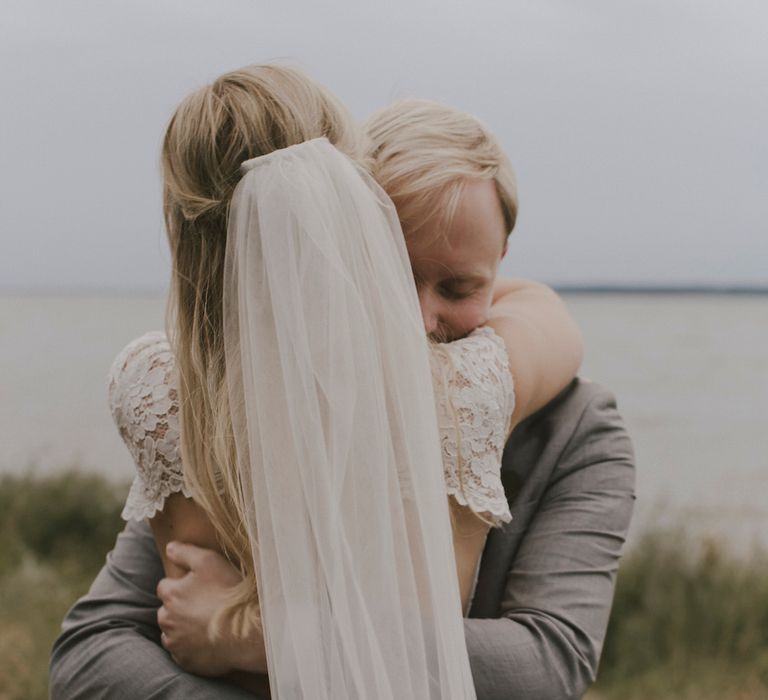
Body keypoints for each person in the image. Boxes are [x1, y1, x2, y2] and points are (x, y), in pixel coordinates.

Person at [50, 71, 634, 700]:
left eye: (459, 287)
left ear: (502, 262)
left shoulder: (578, 427)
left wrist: (263, 636)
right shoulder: (218, 418)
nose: (415, 322)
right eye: (385, 273)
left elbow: (545, 665)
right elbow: (92, 652)